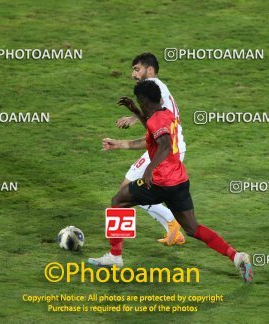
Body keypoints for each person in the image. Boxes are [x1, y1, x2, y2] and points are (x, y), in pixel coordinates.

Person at [88, 80, 253, 282]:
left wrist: (149, 169)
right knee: (193, 228)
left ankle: (115, 256)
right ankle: (236, 256)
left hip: (159, 184)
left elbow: (164, 145)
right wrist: (137, 113)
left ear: (145, 102)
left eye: (140, 103)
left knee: (118, 201)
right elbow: (153, 130)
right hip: (179, 183)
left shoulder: (156, 121)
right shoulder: (166, 114)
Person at [110, 52, 186, 246]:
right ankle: (173, 229)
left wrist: (135, 116)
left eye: (137, 69)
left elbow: (158, 115)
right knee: (128, 191)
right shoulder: (158, 91)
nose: (133, 75)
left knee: (127, 192)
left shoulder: (157, 87)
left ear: (149, 70)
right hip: (167, 146)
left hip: (167, 150)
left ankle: (117, 251)